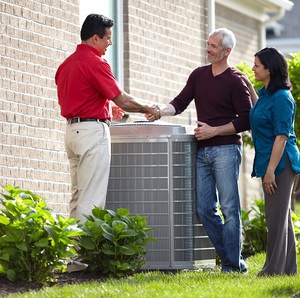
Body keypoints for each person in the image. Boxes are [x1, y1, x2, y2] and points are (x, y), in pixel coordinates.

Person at [147, 28, 251, 273]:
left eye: (213, 46)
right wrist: (160, 110)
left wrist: (214, 131)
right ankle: (232, 261)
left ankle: (232, 267)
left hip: (226, 149)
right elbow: (179, 103)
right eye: (208, 44)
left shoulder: (235, 80)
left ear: (227, 51)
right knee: (204, 208)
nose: (208, 48)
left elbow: (246, 120)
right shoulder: (198, 75)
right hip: (202, 151)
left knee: (229, 208)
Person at [55, 14, 160, 224]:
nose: (110, 43)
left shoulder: (66, 65)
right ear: (95, 38)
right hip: (92, 136)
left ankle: (73, 254)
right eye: (108, 38)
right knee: (91, 199)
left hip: (72, 134)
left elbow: (78, 98)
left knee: (77, 197)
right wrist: (148, 108)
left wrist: (105, 108)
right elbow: (123, 100)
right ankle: (86, 257)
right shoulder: (95, 62)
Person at [242, 47, 300, 276]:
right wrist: (247, 84)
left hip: (281, 163)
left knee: (275, 219)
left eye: (257, 65)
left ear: (270, 69)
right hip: (271, 161)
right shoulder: (265, 95)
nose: (253, 68)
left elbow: (282, 137)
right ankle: (287, 269)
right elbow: (259, 110)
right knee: (282, 217)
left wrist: (270, 172)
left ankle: (272, 270)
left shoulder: (283, 98)